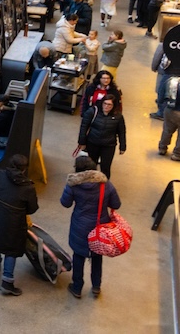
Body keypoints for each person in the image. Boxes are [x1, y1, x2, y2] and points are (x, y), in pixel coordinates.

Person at [61, 155, 121, 298]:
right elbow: (116, 204)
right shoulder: (105, 184)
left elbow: (65, 203)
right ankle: (96, 287)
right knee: (97, 256)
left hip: (79, 227)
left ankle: (76, 287)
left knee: (79, 256)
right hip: (100, 228)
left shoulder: (73, 184)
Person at [0, 153, 37, 296]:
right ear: (24, 169)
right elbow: (32, 208)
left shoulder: (0, 175)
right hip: (14, 221)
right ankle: (7, 282)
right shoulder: (28, 187)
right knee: (11, 248)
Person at [77, 95, 126, 178]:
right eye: (105, 103)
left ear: (113, 106)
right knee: (91, 166)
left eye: (109, 105)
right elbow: (84, 127)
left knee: (106, 167)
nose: (106, 106)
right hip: (93, 143)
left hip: (108, 145)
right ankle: (90, 184)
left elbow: (122, 132)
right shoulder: (93, 112)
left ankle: (104, 187)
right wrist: (82, 142)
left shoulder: (118, 117)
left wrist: (123, 146)